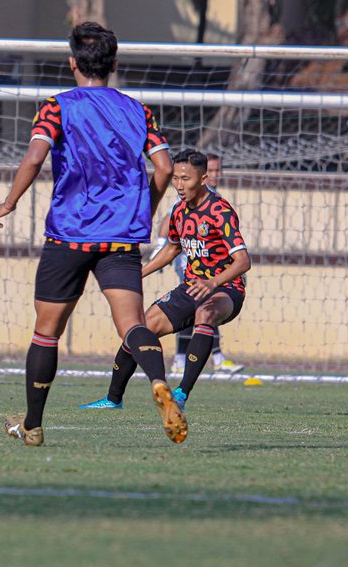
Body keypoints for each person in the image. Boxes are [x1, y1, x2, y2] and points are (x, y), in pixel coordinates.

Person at [0, 21, 180, 447]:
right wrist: (143, 208)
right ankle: (158, 382)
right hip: (120, 239)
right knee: (132, 325)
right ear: (113, 64)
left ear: (72, 62)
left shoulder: (57, 106)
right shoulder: (138, 109)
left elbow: (34, 158)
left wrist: (8, 203)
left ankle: (33, 425)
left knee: (46, 332)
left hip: (69, 236)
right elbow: (165, 167)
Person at [80, 150, 251, 431]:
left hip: (226, 289)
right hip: (191, 287)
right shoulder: (179, 212)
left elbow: (243, 260)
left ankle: (181, 394)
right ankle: (113, 399)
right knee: (140, 327)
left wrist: (212, 282)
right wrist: (138, 273)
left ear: (204, 178)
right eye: (175, 178)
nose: (179, 185)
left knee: (206, 314)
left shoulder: (220, 211)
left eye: (186, 179)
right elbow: (171, 248)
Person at [165, 152, 244, 376]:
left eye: (219, 171)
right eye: (214, 170)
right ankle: (184, 358)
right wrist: (161, 246)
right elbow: (168, 223)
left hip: (213, 270)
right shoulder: (186, 195)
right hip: (190, 264)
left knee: (207, 309)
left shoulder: (215, 200)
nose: (216, 175)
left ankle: (206, 357)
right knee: (195, 308)